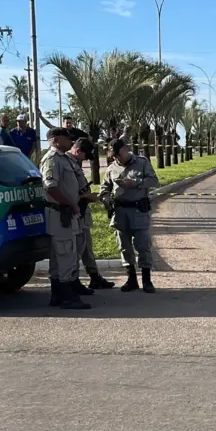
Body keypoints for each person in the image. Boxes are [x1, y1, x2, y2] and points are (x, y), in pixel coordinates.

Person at [39, 127, 92, 310]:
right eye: (66, 139)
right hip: (60, 214)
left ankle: (58, 295)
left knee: (61, 255)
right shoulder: (52, 159)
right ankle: (68, 297)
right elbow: (50, 187)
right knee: (66, 254)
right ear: (55, 140)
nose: (70, 142)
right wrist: (71, 204)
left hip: (66, 214)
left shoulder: (64, 159)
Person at [100, 139, 159, 293]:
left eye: (118, 155)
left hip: (138, 210)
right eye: (113, 156)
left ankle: (147, 280)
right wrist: (105, 198)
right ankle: (131, 279)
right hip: (120, 212)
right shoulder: (112, 168)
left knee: (143, 246)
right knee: (124, 247)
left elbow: (154, 181)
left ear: (125, 150)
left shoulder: (142, 162)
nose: (116, 158)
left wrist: (136, 183)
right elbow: (104, 188)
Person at [67, 132, 115, 291]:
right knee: (76, 248)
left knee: (86, 245)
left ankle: (94, 277)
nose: (86, 160)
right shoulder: (66, 162)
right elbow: (68, 191)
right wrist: (88, 196)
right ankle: (73, 281)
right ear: (78, 151)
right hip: (73, 212)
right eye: (85, 156)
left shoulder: (74, 162)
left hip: (82, 210)